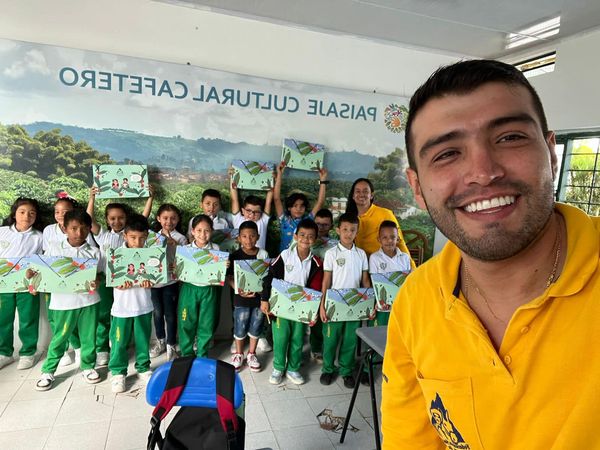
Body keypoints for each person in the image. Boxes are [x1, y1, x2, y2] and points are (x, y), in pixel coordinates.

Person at [381, 59, 600, 449]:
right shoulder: (416, 300)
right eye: (447, 154)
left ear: (551, 154)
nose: (483, 173)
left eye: (510, 137)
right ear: (417, 187)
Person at [86, 186, 153, 367]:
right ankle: (103, 349)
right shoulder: (103, 235)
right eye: (112, 218)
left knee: (127, 317)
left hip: (131, 284)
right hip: (106, 279)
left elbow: (143, 220)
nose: (117, 221)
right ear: (107, 220)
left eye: (121, 217)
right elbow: (89, 220)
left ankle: (130, 352)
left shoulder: (134, 236)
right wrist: (92, 198)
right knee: (105, 315)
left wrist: (150, 198)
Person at [36, 209, 101, 391]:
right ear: (65, 228)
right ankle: (48, 371)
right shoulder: (54, 249)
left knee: (89, 337)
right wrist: (33, 279)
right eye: (74, 228)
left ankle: (88, 367)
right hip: (63, 303)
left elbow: (101, 274)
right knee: (60, 338)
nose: (79, 233)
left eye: (84, 228)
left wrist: (97, 280)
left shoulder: (94, 252)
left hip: (89, 301)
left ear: (89, 228)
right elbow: (43, 272)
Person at [260, 218, 323, 385]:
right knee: (280, 339)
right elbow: (269, 278)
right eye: (302, 235)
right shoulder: (285, 256)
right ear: (295, 236)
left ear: (315, 239)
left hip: (301, 310)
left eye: (310, 236)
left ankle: (293, 369)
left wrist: (313, 311)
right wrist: (265, 299)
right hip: (281, 308)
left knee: (297, 339)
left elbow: (316, 290)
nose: (305, 239)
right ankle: (278, 368)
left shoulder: (316, 262)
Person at [319, 213, 371, 388]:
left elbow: (365, 281)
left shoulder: (361, 254)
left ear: (357, 231)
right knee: (330, 340)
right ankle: (328, 369)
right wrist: (322, 305)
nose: (349, 233)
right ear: (338, 230)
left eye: (352, 230)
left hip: (355, 304)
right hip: (333, 304)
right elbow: (326, 281)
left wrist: (369, 304)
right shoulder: (331, 253)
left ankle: (346, 371)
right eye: (345, 229)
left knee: (350, 340)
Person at [360, 220, 411, 386]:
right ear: (379, 239)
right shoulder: (375, 258)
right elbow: (375, 283)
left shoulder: (404, 258)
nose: (389, 241)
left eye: (392, 237)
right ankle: (367, 369)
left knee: (396, 338)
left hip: (399, 307)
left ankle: (390, 369)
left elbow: (407, 282)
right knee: (376, 336)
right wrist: (376, 302)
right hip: (381, 307)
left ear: (398, 238)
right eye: (385, 237)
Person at [109, 214, 155, 393]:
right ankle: (118, 372)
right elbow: (111, 279)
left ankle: (143, 368)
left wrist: (151, 283)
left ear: (147, 236)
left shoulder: (152, 255)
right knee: (119, 341)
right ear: (125, 236)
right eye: (133, 237)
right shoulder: (116, 255)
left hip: (143, 306)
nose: (137, 242)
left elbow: (157, 279)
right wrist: (118, 284)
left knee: (143, 339)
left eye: (142, 238)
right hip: (122, 308)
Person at [0, 198, 44, 370]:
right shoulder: (2, 232)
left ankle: (28, 353)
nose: (27, 216)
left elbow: (43, 261)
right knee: (3, 319)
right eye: (22, 212)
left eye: (32, 213)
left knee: (28, 319)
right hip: (3, 284)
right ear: (14, 214)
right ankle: (4, 353)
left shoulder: (39, 237)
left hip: (28, 285)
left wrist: (36, 282)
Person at [226, 221, 269, 372]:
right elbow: (229, 277)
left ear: (258, 236)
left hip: (259, 299)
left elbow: (267, 277)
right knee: (240, 325)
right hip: (241, 299)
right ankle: (239, 354)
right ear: (239, 238)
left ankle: (251, 354)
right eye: (244, 236)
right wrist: (238, 289)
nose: (248, 240)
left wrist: (262, 294)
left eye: (252, 236)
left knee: (256, 325)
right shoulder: (234, 256)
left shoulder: (263, 254)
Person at [178, 214, 223, 358]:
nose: (203, 234)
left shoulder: (216, 248)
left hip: (209, 289)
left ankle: (202, 354)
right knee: (186, 322)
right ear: (192, 231)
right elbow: (179, 272)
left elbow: (218, 271)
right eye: (199, 230)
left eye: (207, 230)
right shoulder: (185, 249)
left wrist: (224, 265)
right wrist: (177, 267)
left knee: (207, 323)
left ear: (212, 231)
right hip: (189, 289)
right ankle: (187, 354)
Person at [149, 203, 187, 361]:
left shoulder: (181, 238)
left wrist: (176, 246)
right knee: (157, 314)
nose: (169, 221)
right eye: (165, 218)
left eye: (173, 218)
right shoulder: (152, 237)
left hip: (171, 282)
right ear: (159, 218)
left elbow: (186, 261)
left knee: (170, 315)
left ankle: (171, 344)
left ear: (178, 220)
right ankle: (161, 341)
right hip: (154, 283)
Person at [345, 178, 413, 262]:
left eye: (365, 191)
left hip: (384, 264)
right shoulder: (350, 218)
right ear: (353, 196)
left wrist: (411, 266)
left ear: (371, 195)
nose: (361, 194)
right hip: (360, 264)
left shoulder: (385, 214)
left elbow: (400, 242)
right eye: (358, 191)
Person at [273, 162, 328, 251]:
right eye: (295, 206)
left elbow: (320, 202)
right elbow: (276, 199)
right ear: (289, 208)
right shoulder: (284, 220)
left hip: (302, 257)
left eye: (302, 206)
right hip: (284, 257)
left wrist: (323, 180)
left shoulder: (308, 220)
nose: (299, 209)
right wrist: (279, 174)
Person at [229, 165, 273, 250]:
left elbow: (268, 201)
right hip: (240, 256)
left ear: (261, 213)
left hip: (259, 256)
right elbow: (234, 200)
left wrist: (272, 179)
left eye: (256, 212)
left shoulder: (263, 221)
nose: (252, 215)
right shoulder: (238, 219)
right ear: (242, 210)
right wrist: (232, 177)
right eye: (249, 210)